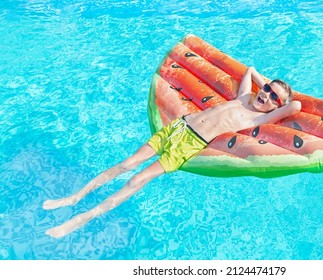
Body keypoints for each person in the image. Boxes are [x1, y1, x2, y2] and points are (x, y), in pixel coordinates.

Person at [43, 66, 302, 238]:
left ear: (276, 108)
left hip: (189, 145)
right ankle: (74, 198)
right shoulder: (245, 97)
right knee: (126, 164)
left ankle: (82, 219)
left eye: (274, 99)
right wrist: (265, 84)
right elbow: (250, 70)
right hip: (177, 128)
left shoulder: (258, 119)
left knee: (137, 179)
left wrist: (281, 98)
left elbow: (296, 105)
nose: (266, 96)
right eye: (267, 89)